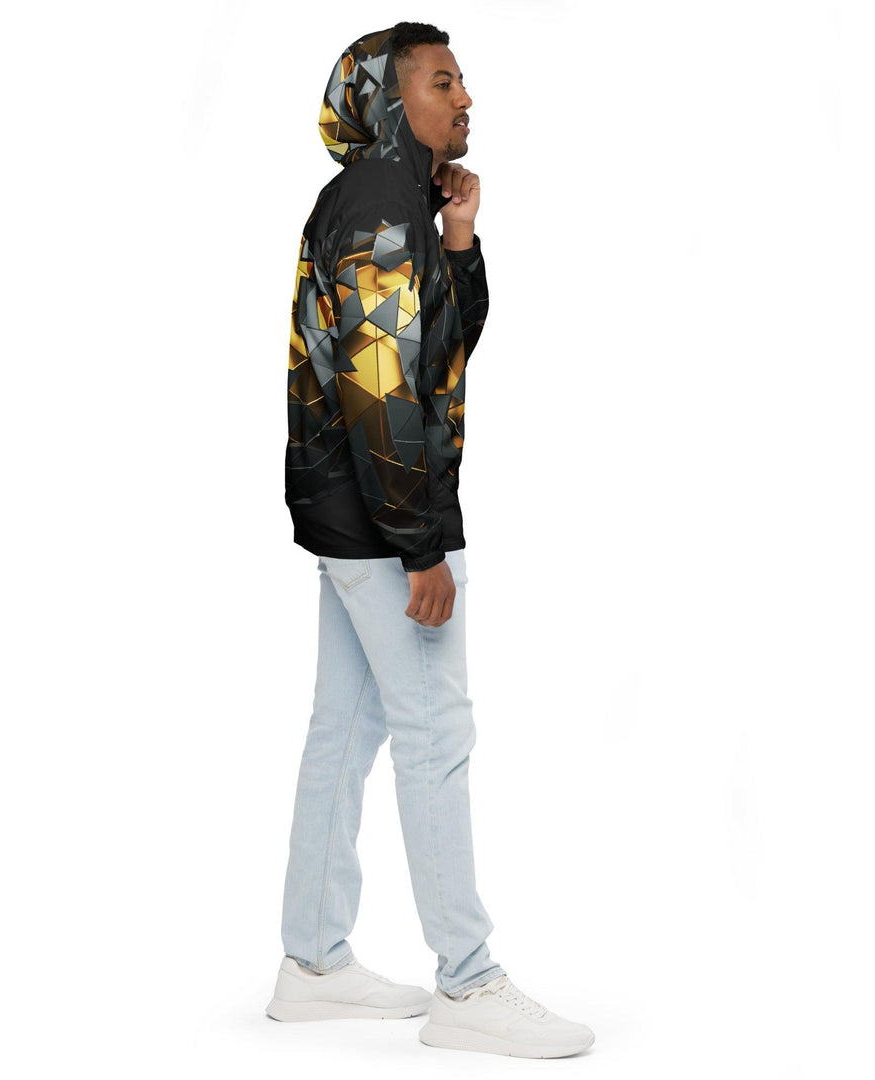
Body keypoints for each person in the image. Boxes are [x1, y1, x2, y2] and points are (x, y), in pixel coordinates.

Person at [267, 22, 595, 1059]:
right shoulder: (375, 203)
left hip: (352, 508)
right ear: (389, 100)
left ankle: (313, 964)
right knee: (435, 732)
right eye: (443, 82)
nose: (465, 99)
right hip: (381, 514)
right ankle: (468, 979)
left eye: (463, 82)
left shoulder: (402, 201)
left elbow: (441, 348)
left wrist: (459, 236)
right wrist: (419, 546)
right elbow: (381, 389)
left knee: (347, 726)